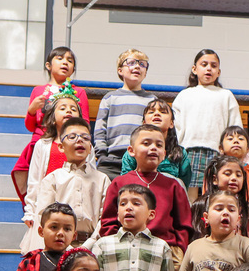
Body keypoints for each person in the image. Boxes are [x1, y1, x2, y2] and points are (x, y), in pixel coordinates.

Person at [97, 124, 196, 265]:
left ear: (164, 153)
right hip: (124, 249)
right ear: (131, 151)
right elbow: (109, 221)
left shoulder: (174, 185)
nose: (153, 148)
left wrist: (179, 249)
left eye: (159, 145)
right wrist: (115, 247)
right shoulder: (119, 183)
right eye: (146, 143)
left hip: (165, 251)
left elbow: (183, 225)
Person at [91, 185, 176, 271]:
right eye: (123, 203)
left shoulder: (161, 247)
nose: (128, 207)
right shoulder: (102, 245)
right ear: (117, 215)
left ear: (151, 214)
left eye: (136, 203)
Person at [172, 49, 241, 194]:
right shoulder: (184, 95)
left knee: (212, 193)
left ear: (218, 72)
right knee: (188, 194)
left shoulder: (226, 95)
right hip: (188, 151)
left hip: (217, 152)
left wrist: (229, 153)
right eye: (204, 64)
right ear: (194, 69)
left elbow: (234, 127)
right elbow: (176, 128)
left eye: (213, 65)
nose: (209, 68)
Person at [15, 46, 90, 178]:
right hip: (42, 142)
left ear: (73, 69)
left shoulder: (79, 92)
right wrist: (31, 111)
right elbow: (31, 126)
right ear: (48, 65)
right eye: (60, 58)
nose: (65, 62)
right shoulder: (38, 91)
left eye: (70, 60)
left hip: (69, 142)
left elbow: (85, 124)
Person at [17, 91, 82, 229]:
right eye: (62, 108)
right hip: (47, 204)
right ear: (52, 118)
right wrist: (30, 211)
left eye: (73, 109)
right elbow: (34, 180)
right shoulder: (43, 144)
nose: (68, 111)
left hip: (72, 202)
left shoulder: (85, 146)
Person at [94, 49, 154, 179]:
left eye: (142, 64)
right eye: (131, 62)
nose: (138, 66)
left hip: (140, 160)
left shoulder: (151, 100)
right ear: (120, 70)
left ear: (145, 73)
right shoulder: (109, 98)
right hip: (111, 159)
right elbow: (100, 129)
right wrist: (102, 154)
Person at [190, 155, 249, 251]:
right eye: (227, 174)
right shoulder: (201, 205)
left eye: (238, 175)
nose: (234, 178)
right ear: (215, 179)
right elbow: (195, 238)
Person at [121, 98, 192, 186]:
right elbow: (125, 183)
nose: (157, 114)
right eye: (151, 112)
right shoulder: (133, 153)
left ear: (171, 123)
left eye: (163, 112)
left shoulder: (180, 153)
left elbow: (183, 186)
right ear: (144, 123)